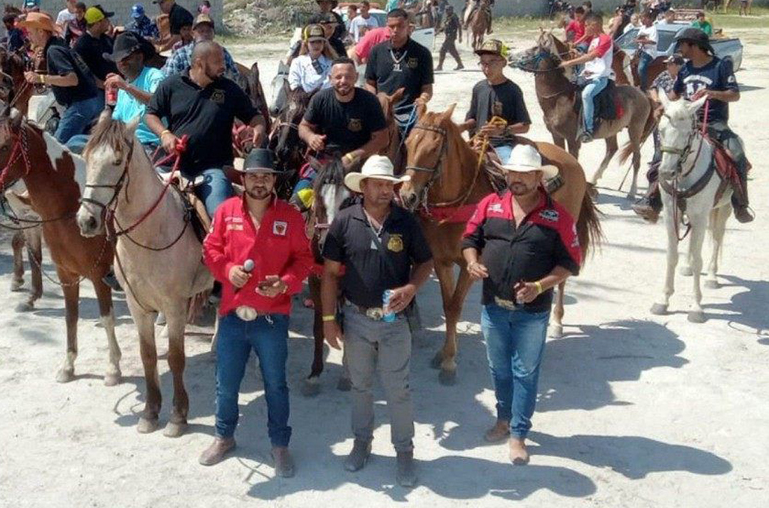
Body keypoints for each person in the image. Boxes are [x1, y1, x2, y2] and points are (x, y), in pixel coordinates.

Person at [462, 144, 581, 465]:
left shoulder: (558, 217)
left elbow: (570, 263)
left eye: (525, 174)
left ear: (538, 178)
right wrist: (472, 261)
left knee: (525, 372)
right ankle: (503, 418)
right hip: (492, 306)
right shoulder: (490, 205)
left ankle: (518, 434)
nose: (517, 179)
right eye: (512, 173)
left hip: (533, 313)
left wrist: (540, 285)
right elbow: (470, 238)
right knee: (498, 368)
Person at [321, 155, 434, 488]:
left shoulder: (406, 222)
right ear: (364, 186)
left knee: (398, 390)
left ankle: (404, 452)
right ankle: (361, 443)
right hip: (355, 319)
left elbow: (426, 262)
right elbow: (328, 275)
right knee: (360, 386)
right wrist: (329, 319)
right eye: (380, 184)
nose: (386, 190)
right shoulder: (343, 221)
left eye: (390, 184)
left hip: (395, 322)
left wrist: (412, 287)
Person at [200, 149, 314, 478]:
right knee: (226, 383)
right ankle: (224, 437)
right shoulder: (225, 212)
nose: (260, 182)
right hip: (234, 316)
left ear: (274, 180)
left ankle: (279, 446)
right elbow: (211, 250)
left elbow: (304, 260)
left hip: (271, 319)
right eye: (253, 176)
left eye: (266, 176)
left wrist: (286, 283)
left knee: (276, 384)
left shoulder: (290, 217)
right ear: (243, 179)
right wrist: (227, 269)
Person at [146, 41, 265, 218]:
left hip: (214, 168)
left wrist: (258, 128)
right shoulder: (171, 85)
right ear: (200, 63)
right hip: (175, 166)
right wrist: (165, 134)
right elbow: (151, 114)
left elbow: (255, 116)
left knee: (219, 214)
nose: (223, 66)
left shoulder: (229, 89)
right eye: (218, 62)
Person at [666, 28, 750, 222]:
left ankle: (741, 202)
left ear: (694, 46)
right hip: (688, 123)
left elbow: (734, 94)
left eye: (682, 44)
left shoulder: (721, 66)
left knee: (737, 153)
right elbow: (674, 95)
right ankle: (653, 198)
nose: (679, 48)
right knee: (664, 150)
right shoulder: (685, 68)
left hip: (715, 122)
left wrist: (713, 93)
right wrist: (663, 104)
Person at [295, 59, 388, 198]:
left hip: (360, 163)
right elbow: (303, 126)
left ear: (356, 77)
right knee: (298, 198)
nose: (343, 81)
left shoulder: (369, 101)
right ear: (330, 78)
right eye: (338, 77)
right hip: (325, 162)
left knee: (380, 200)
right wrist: (311, 137)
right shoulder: (320, 99)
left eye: (348, 77)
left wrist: (352, 156)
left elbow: (382, 138)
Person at [21, 12, 102, 146]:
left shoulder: (53, 50)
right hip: (90, 102)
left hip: (80, 106)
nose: (28, 36)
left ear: (41, 32)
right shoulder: (59, 45)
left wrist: (41, 78)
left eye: (30, 32)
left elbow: (72, 79)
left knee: (56, 148)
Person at [632, 54, 684, 223]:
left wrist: (666, 103)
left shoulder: (685, 78)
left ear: (677, 65)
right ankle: (651, 199)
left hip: (681, 122)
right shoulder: (663, 75)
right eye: (667, 64)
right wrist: (655, 99)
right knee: (657, 158)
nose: (667, 67)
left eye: (670, 64)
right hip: (663, 122)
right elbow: (653, 87)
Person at [364, 8, 433, 134]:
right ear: (387, 27)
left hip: (409, 113)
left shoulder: (422, 53)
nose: (395, 30)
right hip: (382, 110)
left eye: (400, 26)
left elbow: (427, 87)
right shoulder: (376, 51)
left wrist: (423, 98)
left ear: (408, 27)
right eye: (392, 26)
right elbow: (370, 82)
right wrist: (375, 100)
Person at [462, 40, 531, 163]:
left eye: (492, 62)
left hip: (502, 145)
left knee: (509, 171)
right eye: (483, 63)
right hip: (478, 143)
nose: (486, 68)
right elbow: (473, 119)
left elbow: (525, 126)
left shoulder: (513, 90)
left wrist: (503, 130)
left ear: (503, 63)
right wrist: (462, 127)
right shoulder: (479, 88)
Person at [100, 32, 165, 154]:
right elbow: (115, 122)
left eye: (126, 58)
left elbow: (158, 102)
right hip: (123, 143)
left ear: (139, 57)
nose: (121, 63)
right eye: (118, 60)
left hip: (149, 144)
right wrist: (108, 107)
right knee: (76, 142)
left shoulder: (153, 75)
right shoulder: (123, 89)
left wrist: (126, 86)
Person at [558, 12, 613, 141]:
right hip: (587, 75)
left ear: (595, 25)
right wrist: (576, 52)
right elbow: (589, 60)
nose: (585, 28)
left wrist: (568, 63)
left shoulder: (605, 39)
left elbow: (591, 56)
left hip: (600, 77)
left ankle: (588, 129)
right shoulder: (594, 40)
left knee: (586, 95)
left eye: (587, 25)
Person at [162, 14, 241, 83]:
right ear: (193, 33)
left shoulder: (222, 53)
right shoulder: (179, 56)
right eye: (201, 31)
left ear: (213, 34)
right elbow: (168, 83)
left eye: (208, 31)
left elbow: (235, 78)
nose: (205, 34)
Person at [71, 5, 115, 105]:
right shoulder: (82, 44)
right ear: (98, 23)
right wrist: (102, 84)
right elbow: (82, 70)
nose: (108, 22)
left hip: (112, 89)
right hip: (95, 93)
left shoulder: (106, 39)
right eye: (105, 20)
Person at [287, 24, 335, 93]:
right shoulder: (297, 62)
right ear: (306, 43)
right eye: (312, 42)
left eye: (319, 41)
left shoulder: (331, 63)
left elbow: (330, 84)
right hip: (302, 100)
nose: (316, 45)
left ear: (324, 43)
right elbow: (294, 82)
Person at [634, 9, 659, 88]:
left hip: (649, 52)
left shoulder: (653, 29)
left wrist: (641, 41)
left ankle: (643, 86)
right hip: (640, 51)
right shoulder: (642, 28)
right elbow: (638, 37)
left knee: (641, 68)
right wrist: (637, 40)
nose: (642, 20)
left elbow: (653, 41)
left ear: (650, 19)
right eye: (641, 18)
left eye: (644, 18)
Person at [437, 4, 463, 72]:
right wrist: (438, 31)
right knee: (452, 51)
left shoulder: (454, 17)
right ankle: (460, 64)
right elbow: (445, 26)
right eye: (446, 10)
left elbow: (459, 26)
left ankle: (440, 66)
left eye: (447, 10)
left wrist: (460, 36)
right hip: (448, 36)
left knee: (442, 50)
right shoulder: (448, 17)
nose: (446, 11)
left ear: (451, 10)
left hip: (451, 36)